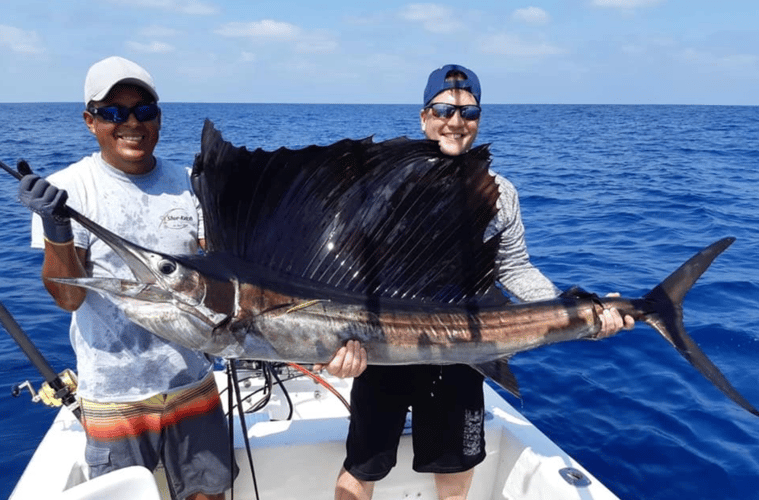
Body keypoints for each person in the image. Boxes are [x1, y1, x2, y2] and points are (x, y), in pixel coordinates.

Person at [333, 64, 635, 500]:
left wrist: (573, 310)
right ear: (424, 116)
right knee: (362, 469)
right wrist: (330, 346)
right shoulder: (383, 188)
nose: (456, 122)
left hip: (465, 353)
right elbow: (349, 274)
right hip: (383, 351)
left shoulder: (499, 192)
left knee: (455, 481)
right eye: (443, 109)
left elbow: (514, 269)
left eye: (469, 113)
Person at [17, 56, 237, 500]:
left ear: (159, 118)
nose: (130, 122)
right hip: (114, 398)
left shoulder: (190, 184)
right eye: (113, 113)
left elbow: (219, 278)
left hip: (192, 383)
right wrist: (58, 231)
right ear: (89, 120)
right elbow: (67, 300)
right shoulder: (68, 189)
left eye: (144, 111)